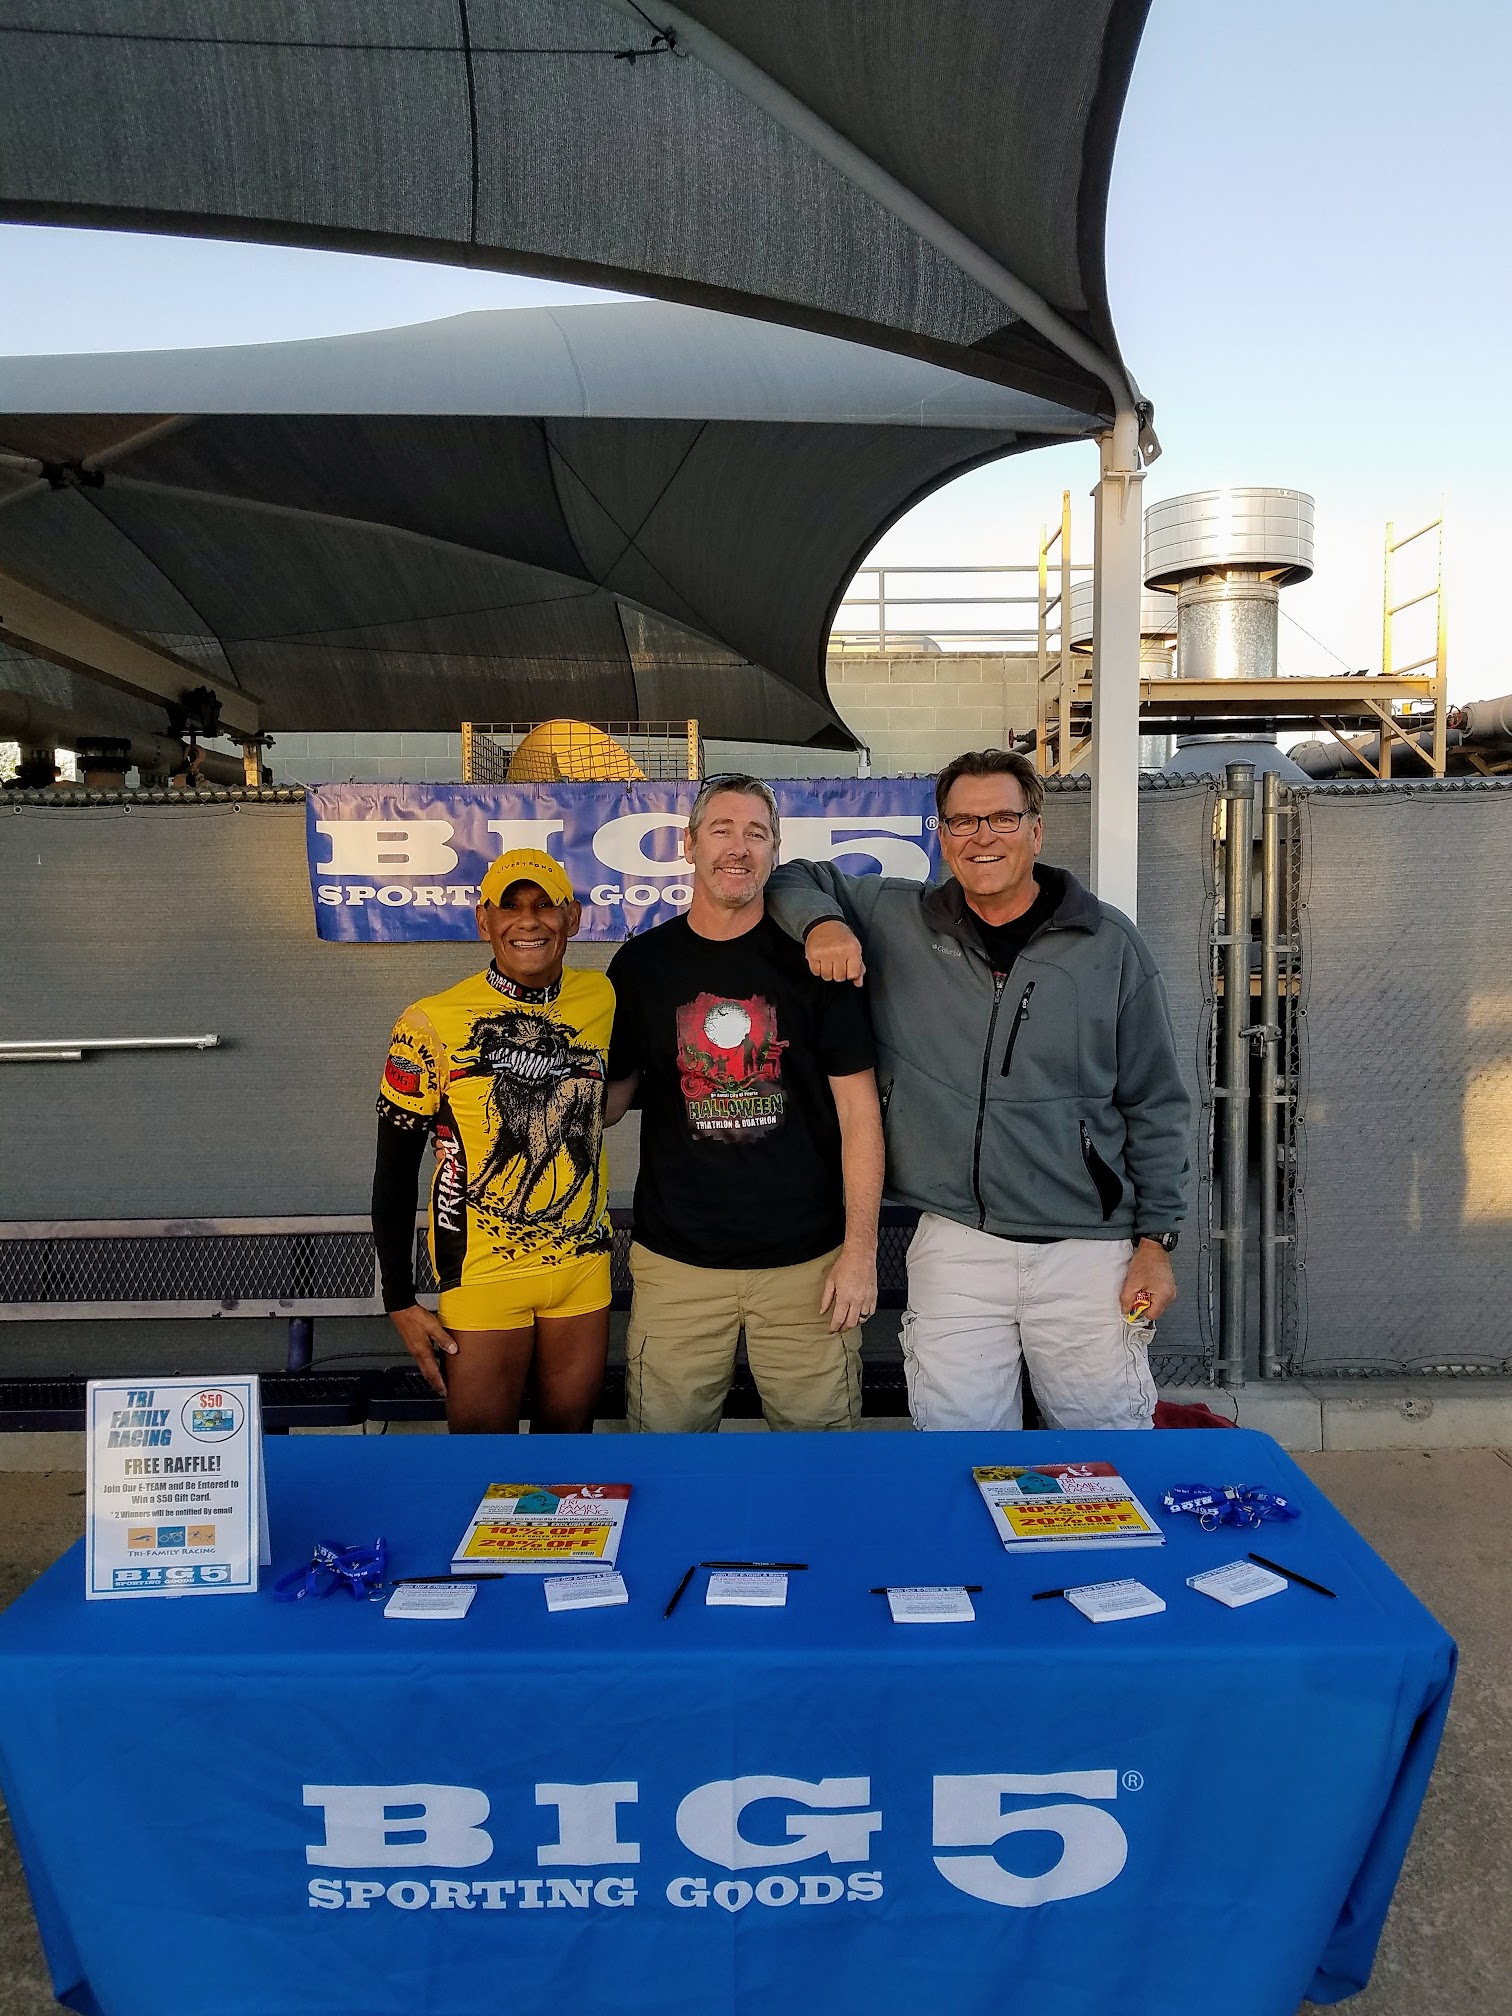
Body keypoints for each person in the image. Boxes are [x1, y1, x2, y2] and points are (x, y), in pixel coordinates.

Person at [764, 748, 1190, 1433]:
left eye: (1001, 818)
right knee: (958, 1451)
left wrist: (1156, 1242)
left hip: (1085, 1250)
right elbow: (792, 878)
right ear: (941, 835)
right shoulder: (899, 917)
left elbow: (1156, 1102)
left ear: (1036, 831)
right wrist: (825, 924)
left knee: (1106, 1450)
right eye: (962, 821)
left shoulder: (1109, 943)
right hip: (956, 1242)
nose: (981, 836)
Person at [604, 775, 884, 1433]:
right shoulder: (642, 966)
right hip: (677, 1268)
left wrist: (860, 1253)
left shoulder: (820, 964)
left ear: (774, 850)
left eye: (756, 833)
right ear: (689, 845)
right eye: (722, 830)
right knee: (667, 1457)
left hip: (807, 1268)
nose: (738, 847)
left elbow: (860, 1116)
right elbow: (609, 1103)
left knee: (820, 1461)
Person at [371, 849, 614, 1433]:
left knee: (567, 1458)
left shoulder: (603, 997)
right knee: (483, 1462)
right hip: (482, 1275)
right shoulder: (429, 1021)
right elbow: (394, 1172)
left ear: (573, 918)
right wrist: (399, 1299)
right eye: (510, 907)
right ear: (484, 921)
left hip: (582, 1266)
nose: (528, 921)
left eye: (545, 906)